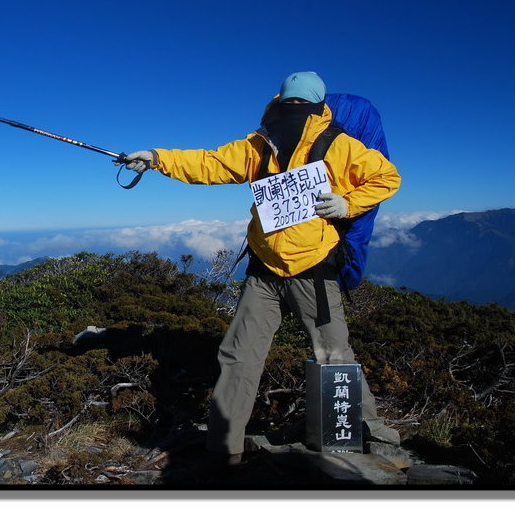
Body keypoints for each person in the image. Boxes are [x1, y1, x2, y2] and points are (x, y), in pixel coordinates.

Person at [123, 71, 402, 465]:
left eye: (299, 102)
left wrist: (347, 203)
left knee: (327, 353)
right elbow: (212, 163)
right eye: (290, 101)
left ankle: (368, 430)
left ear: (317, 105)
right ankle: (224, 450)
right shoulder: (262, 143)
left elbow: (386, 177)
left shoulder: (338, 144)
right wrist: (156, 158)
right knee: (252, 354)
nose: (294, 107)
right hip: (267, 269)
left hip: (312, 268)